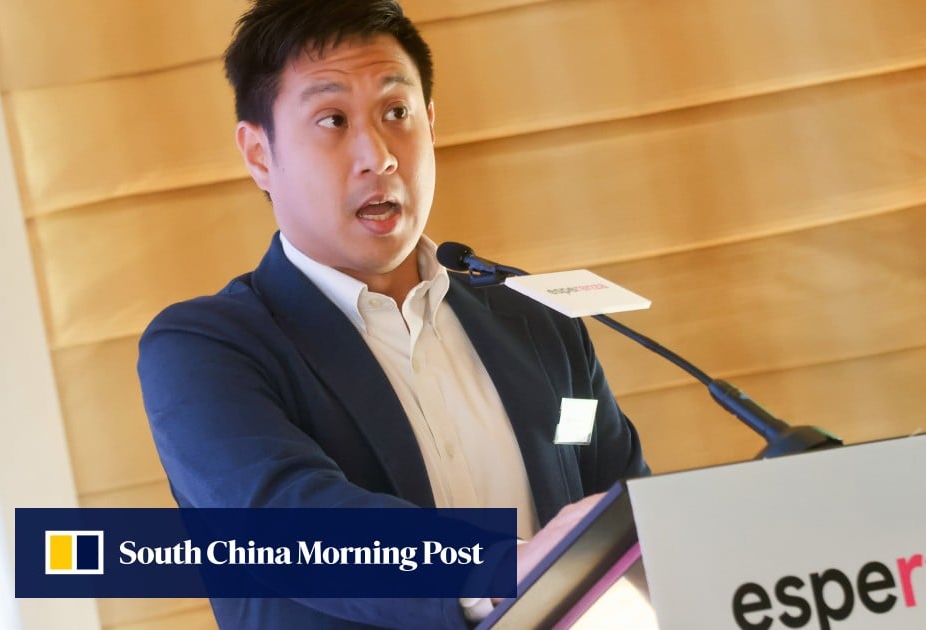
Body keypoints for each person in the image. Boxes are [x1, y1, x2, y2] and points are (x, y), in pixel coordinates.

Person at [136, 1, 650, 628]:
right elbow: (286, 522)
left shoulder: (538, 320)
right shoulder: (203, 349)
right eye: (332, 120)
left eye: (397, 113)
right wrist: (501, 567)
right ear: (260, 154)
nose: (377, 156)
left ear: (430, 123)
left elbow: (622, 512)